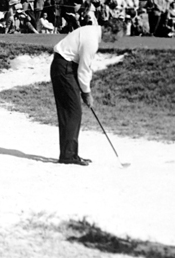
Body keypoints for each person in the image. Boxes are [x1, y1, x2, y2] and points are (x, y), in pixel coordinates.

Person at [50, 18, 124, 166]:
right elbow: (84, 69)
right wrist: (87, 93)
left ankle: (69, 153)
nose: (113, 41)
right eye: (114, 38)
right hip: (64, 68)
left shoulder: (91, 32)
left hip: (64, 67)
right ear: (108, 30)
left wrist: (85, 91)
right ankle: (68, 155)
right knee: (72, 112)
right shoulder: (92, 40)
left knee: (71, 112)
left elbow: (83, 68)